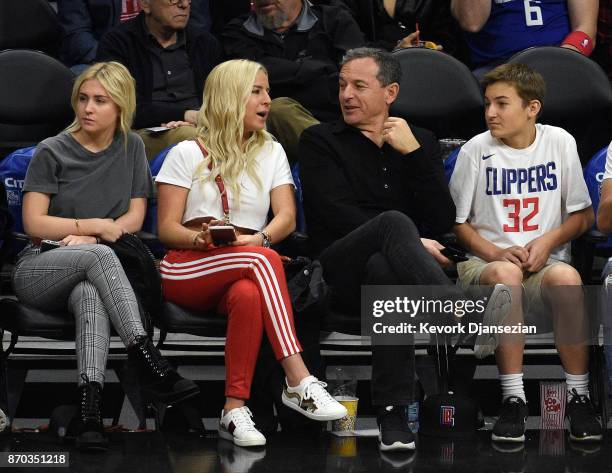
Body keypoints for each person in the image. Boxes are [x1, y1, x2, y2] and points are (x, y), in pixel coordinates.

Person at [298, 47, 512, 452]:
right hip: (337, 271)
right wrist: (407, 239)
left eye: (359, 86)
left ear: (390, 92)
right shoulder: (319, 140)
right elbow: (333, 214)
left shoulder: (420, 141)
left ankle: (393, 415)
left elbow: (442, 218)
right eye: (342, 85)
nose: (346, 94)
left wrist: (414, 155)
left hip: (397, 277)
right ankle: (462, 316)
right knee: (394, 224)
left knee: (386, 272)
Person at [155, 59, 347, 448]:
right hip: (186, 266)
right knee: (264, 260)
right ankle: (298, 377)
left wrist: (253, 240)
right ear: (230, 97)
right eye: (257, 92)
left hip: (244, 262)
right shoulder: (186, 152)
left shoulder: (271, 150)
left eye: (267, 91)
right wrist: (203, 240)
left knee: (249, 293)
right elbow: (166, 229)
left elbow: (287, 218)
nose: (267, 101)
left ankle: (233, 409)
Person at [12, 61, 199, 451]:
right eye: (82, 99)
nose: (88, 108)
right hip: (39, 267)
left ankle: (91, 411)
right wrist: (92, 228)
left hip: (92, 269)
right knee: (97, 257)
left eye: (100, 100)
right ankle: (148, 360)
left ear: (121, 107)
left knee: (91, 296)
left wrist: (97, 239)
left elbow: (133, 215)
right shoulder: (53, 150)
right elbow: (33, 223)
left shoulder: (131, 146)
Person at [449, 63, 602, 443]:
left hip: (543, 267)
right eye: (487, 104)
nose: (490, 113)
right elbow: (457, 225)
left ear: (532, 108)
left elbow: (583, 216)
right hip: (483, 267)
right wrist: (496, 252)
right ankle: (512, 399)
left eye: (502, 104)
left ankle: (579, 397)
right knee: (507, 277)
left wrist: (548, 241)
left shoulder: (559, 142)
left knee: (568, 277)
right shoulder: (474, 150)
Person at [222, 0, 366, 165]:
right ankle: (346, 162)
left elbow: (356, 79)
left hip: (337, 121)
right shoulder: (237, 31)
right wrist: (319, 70)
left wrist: (282, 77)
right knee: (280, 110)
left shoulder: (334, 20)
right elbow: (244, 82)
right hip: (265, 131)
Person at [96, 0, 221, 159]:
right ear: (146, 4)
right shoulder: (118, 43)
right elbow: (121, 108)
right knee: (192, 140)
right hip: (145, 130)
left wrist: (201, 118)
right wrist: (184, 115)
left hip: (202, 124)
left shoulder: (204, 42)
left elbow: (221, 97)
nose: (184, 4)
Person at [58, 0, 212, 73]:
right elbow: (76, 35)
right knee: (84, 77)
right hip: (106, 57)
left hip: (169, 51)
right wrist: (116, 60)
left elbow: (198, 26)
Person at [451, 0, 599, 76]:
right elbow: (472, 22)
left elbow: (585, 32)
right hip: (498, 68)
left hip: (560, 61)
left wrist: (561, 61)